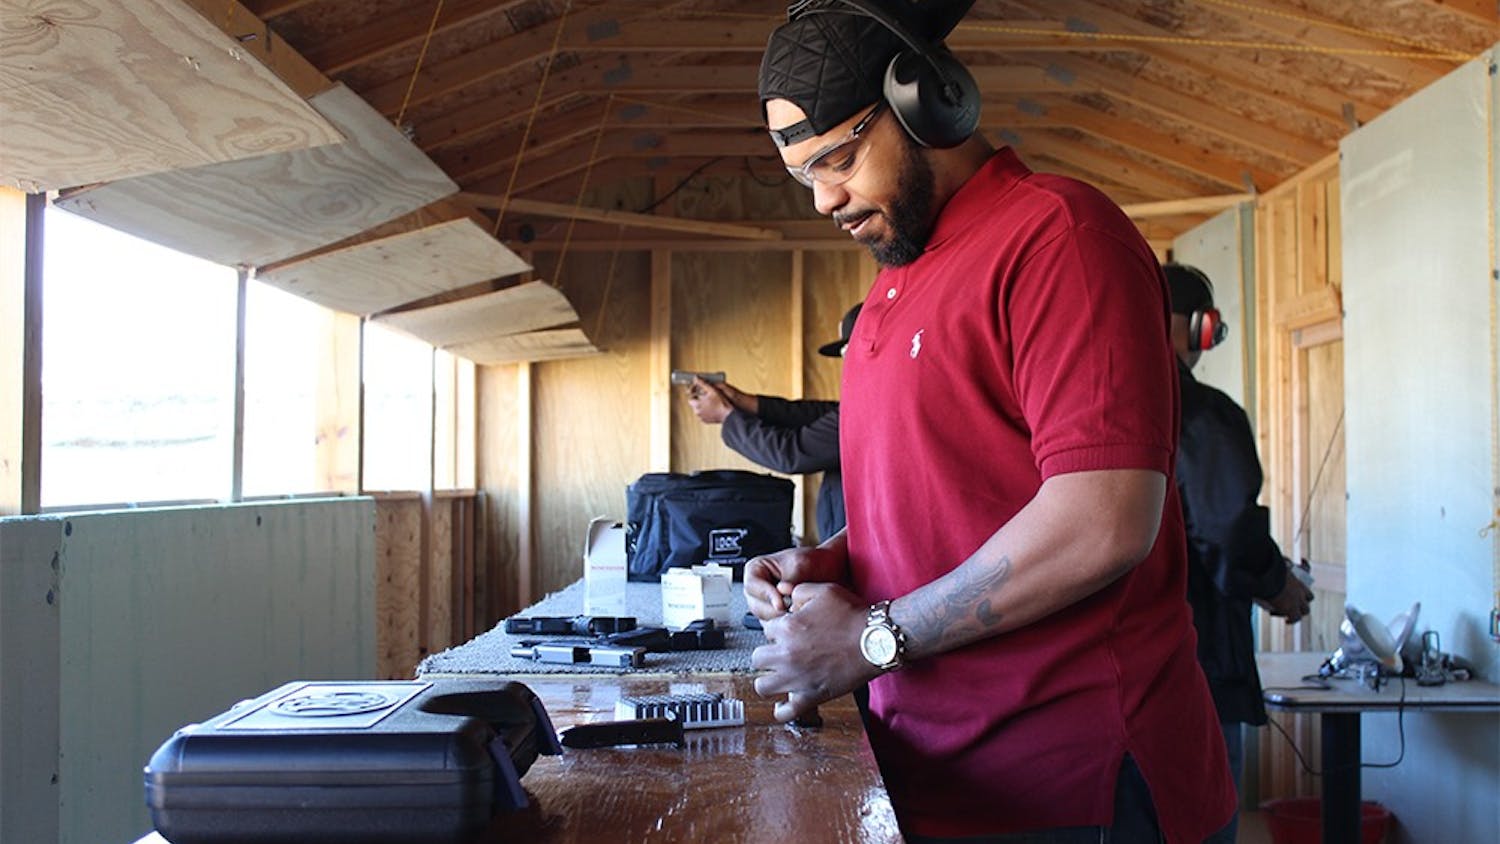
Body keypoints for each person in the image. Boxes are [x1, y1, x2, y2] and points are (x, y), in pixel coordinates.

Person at [743, 3, 1236, 842]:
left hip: (1081, 788)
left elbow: (1103, 520)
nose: (826, 198)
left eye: (841, 158)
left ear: (925, 101)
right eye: (805, 176)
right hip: (937, 777)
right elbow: (944, 498)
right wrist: (828, 562)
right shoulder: (889, 296)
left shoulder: (1059, 239)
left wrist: (867, 640)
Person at [1164, 262, 1314, 844]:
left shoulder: (1093, 403)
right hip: (1200, 668)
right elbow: (1227, 530)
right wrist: (1276, 582)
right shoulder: (1202, 413)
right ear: (1201, 328)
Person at [686, 304, 860, 544]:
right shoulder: (868, 401)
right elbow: (817, 413)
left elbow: (792, 453)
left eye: (847, 349)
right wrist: (739, 401)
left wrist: (726, 415)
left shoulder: (871, 408)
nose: (846, 361)